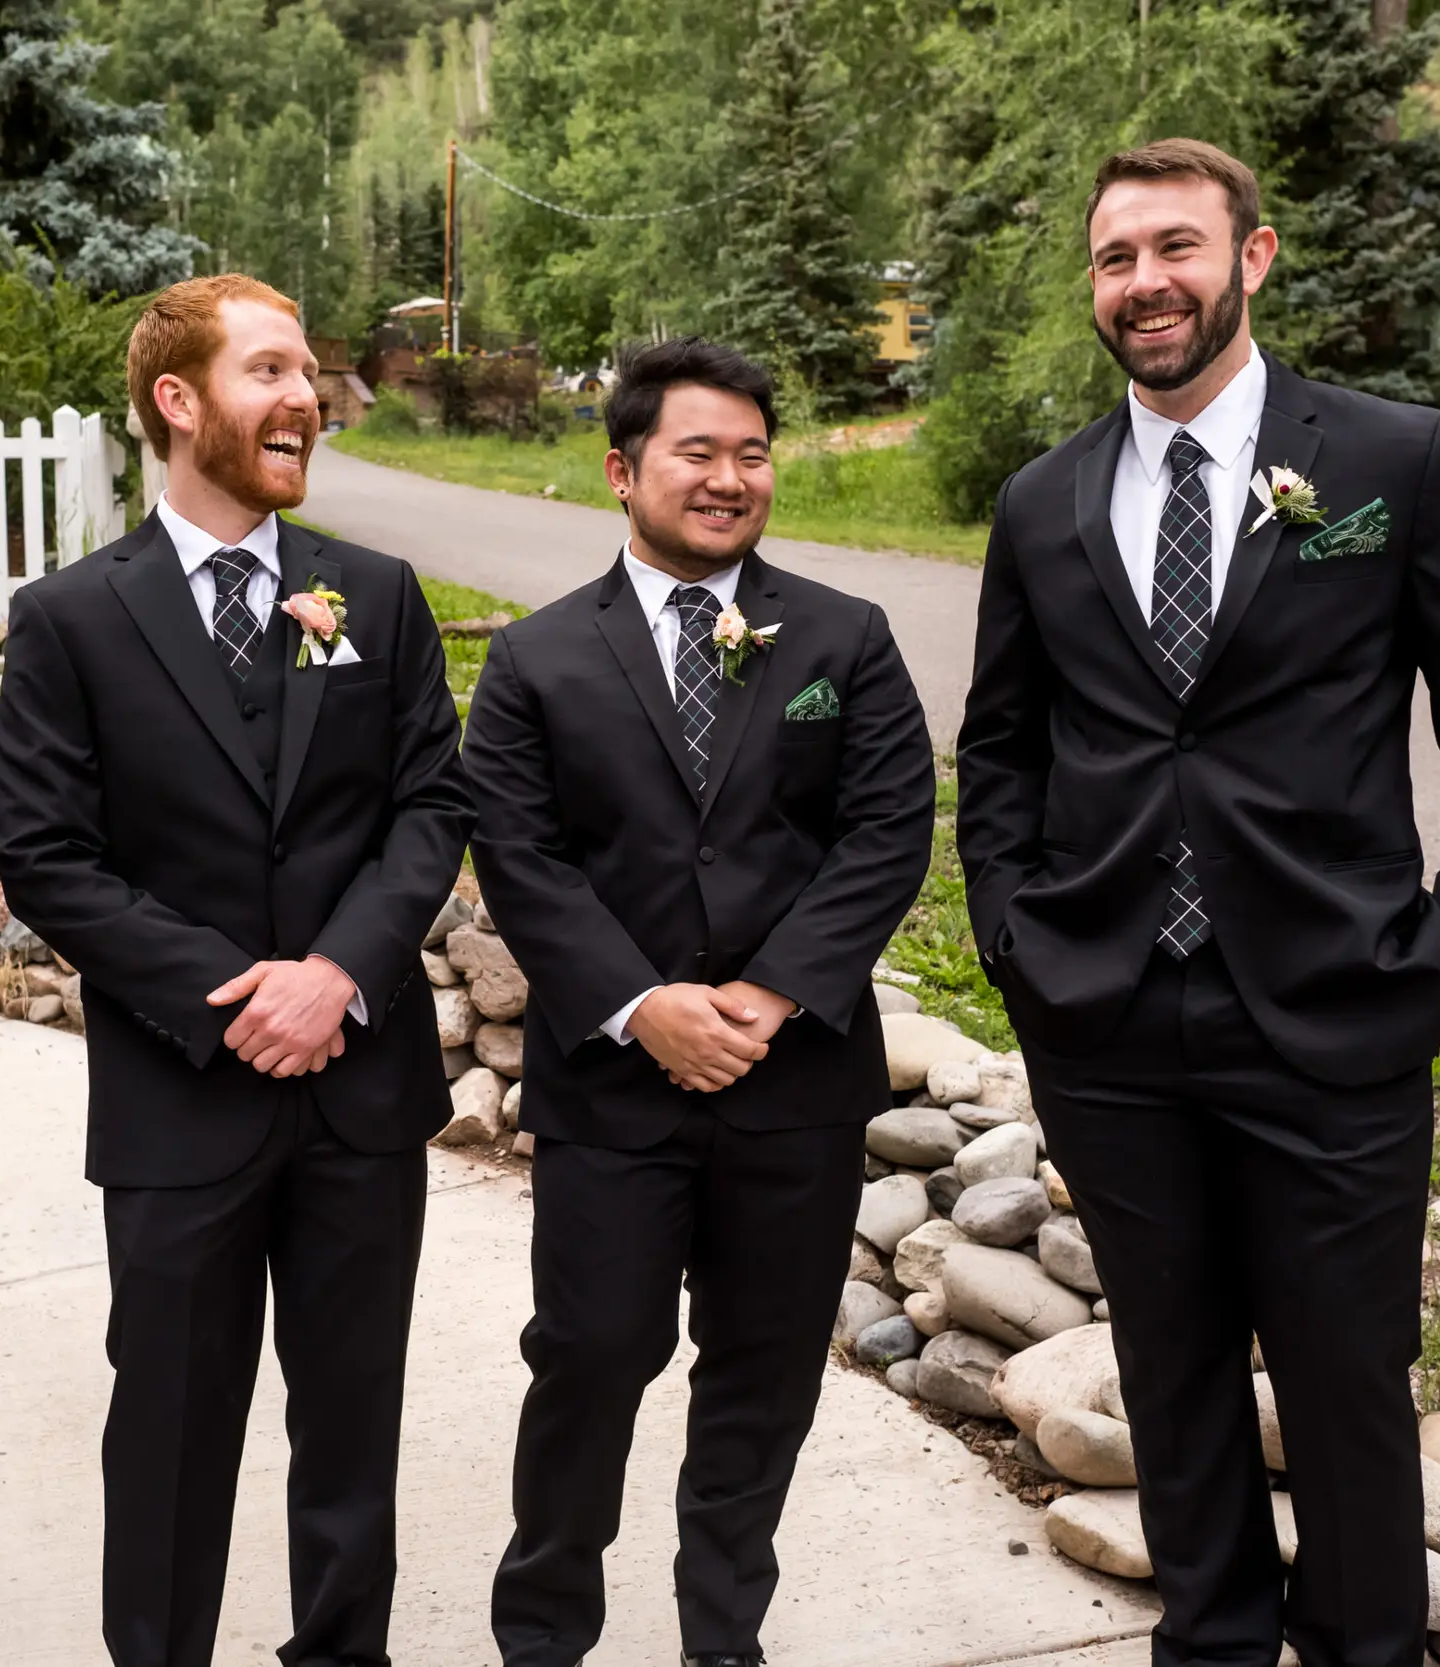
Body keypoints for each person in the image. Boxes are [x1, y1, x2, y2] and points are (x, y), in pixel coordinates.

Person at [955, 140, 1440, 1667]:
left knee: (1348, 1375)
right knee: (1170, 1370)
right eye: (1116, 258)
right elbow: (1003, 749)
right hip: (1106, 1010)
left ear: (1255, 255)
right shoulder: (1043, 501)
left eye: (1176, 246)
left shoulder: (1391, 461)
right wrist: (1014, 936)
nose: (1146, 281)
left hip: (1335, 1002)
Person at [0, 273, 473, 1667]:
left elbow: (430, 806)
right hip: (177, 1096)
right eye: (271, 370)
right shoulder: (73, 617)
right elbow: (50, 854)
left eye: (310, 371)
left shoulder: (369, 590)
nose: (306, 396)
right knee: (169, 1429)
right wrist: (240, 995)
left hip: (359, 1091)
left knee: (352, 1427)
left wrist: (336, 973)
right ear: (178, 399)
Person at [464, 337, 936, 1667]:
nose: (729, 478)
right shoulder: (539, 660)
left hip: (796, 1085)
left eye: (751, 452)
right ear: (623, 471)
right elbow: (523, 853)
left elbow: (889, 827)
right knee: (591, 1353)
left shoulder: (846, 635)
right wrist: (640, 1004)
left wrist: (773, 992)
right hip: (614, 1088)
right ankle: (544, 1631)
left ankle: (722, 1639)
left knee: (763, 1374)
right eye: (697, 452)